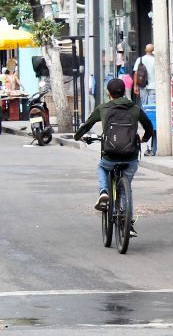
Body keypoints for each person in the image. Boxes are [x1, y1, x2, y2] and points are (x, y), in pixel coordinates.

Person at [74, 79, 153, 235]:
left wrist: (78, 136)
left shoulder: (103, 108)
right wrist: (144, 138)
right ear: (124, 91)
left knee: (102, 167)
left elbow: (87, 125)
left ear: (108, 93)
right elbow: (149, 125)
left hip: (110, 155)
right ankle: (128, 224)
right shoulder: (135, 108)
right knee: (125, 190)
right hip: (130, 156)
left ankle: (104, 192)